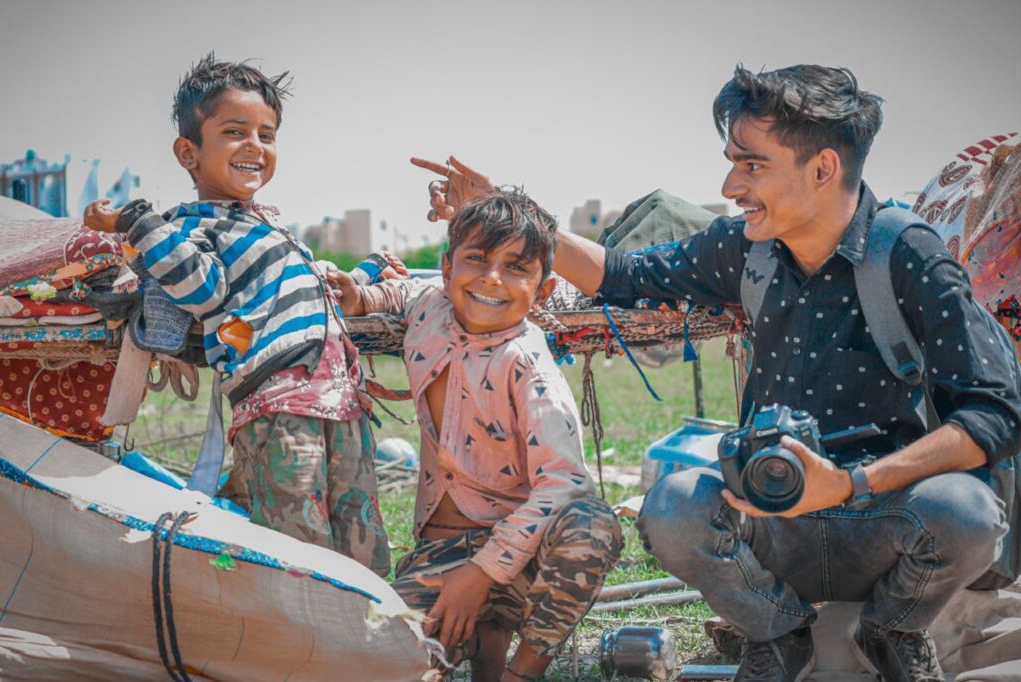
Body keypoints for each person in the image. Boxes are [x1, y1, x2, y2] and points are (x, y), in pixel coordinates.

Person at [413, 64, 1021, 682]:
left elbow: (992, 414)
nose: (732, 185)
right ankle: (779, 633)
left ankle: (894, 630)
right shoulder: (744, 249)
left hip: (884, 519)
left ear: (823, 169)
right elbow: (623, 275)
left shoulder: (909, 255)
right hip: (770, 523)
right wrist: (513, 214)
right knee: (672, 504)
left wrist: (848, 483)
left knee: (967, 511)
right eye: (732, 162)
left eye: (752, 165)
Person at [82, 54, 394, 576]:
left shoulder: (265, 227)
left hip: (341, 401)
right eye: (235, 131)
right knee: (300, 547)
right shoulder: (191, 228)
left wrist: (369, 271)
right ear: (189, 153)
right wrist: (137, 222)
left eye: (267, 135)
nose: (255, 146)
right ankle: (301, 643)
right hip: (277, 404)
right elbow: (202, 290)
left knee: (358, 536)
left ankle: (363, 636)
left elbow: (305, 288)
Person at [329, 188, 623, 682]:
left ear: (543, 290)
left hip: (521, 559)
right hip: (437, 556)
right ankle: (480, 639)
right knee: (373, 655)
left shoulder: (530, 370)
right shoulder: (431, 306)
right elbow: (402, 293)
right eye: (477, 259)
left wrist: (481, 573)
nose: (491, 278)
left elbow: (566, 484)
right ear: (446, 269)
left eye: (515, 267)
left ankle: (520, 672)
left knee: (592, 525)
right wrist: (361, 296)